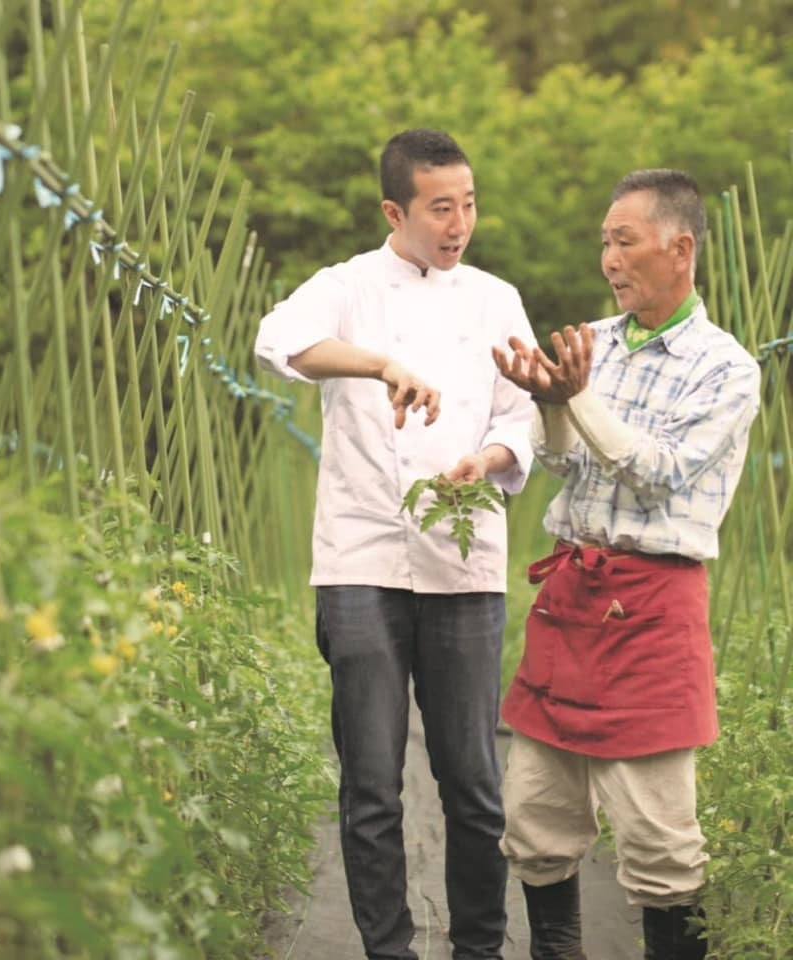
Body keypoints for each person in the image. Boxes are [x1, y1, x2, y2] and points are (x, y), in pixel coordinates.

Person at [254, 128, 536, 960]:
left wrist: (488, 458)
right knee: (372, 785)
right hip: (362, 559)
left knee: (474, 783)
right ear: (394, 211)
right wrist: (379, 366)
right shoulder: (345, 288)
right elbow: (278, 342)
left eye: (469, 204)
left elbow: (522, 414)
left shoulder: (495, 299)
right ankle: (389, 951)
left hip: (464, 563)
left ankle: (480, 948)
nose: (460, 224)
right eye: (440, 208)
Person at [492, 168, 761, 960]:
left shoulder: (726, 368)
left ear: (680, 249)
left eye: (625, 241)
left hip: (652, 608)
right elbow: (559, 462)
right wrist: (550, 403)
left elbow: (659, 472)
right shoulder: (595, 344)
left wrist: (577, 397)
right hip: (570, 596)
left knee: (657, 840)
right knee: (534, 818)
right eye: (604, 242)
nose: (609, 259)